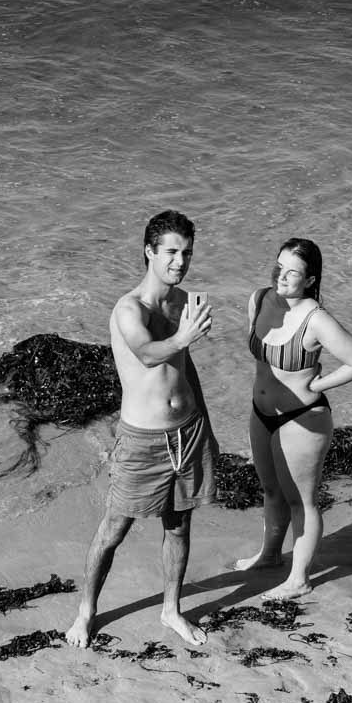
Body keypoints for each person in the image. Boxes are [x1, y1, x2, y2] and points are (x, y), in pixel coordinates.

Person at [65, 210, 218, 649]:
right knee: (113, 530)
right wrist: (183, 338)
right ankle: (87, 611)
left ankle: (171, 610)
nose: (179, 261)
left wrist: (205, 427)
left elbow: (185, 371)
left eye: (186, 253)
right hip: (143, 440)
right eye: (170, 252)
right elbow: (149, 353)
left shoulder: (182, 302)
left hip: (187, 432)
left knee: (178, 527)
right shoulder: (129, 308)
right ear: (149, 251)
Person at [232, 238, 352, 600]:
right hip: (261, 413)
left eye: (293, 271)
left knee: (301, 501)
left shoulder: (317, 319)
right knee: (271, 489)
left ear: (310, 280)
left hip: (303, 418)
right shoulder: (259, 299)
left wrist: (319, 383)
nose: (282, 275)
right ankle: (269, 555)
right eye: (279, 266)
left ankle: (299, 579)